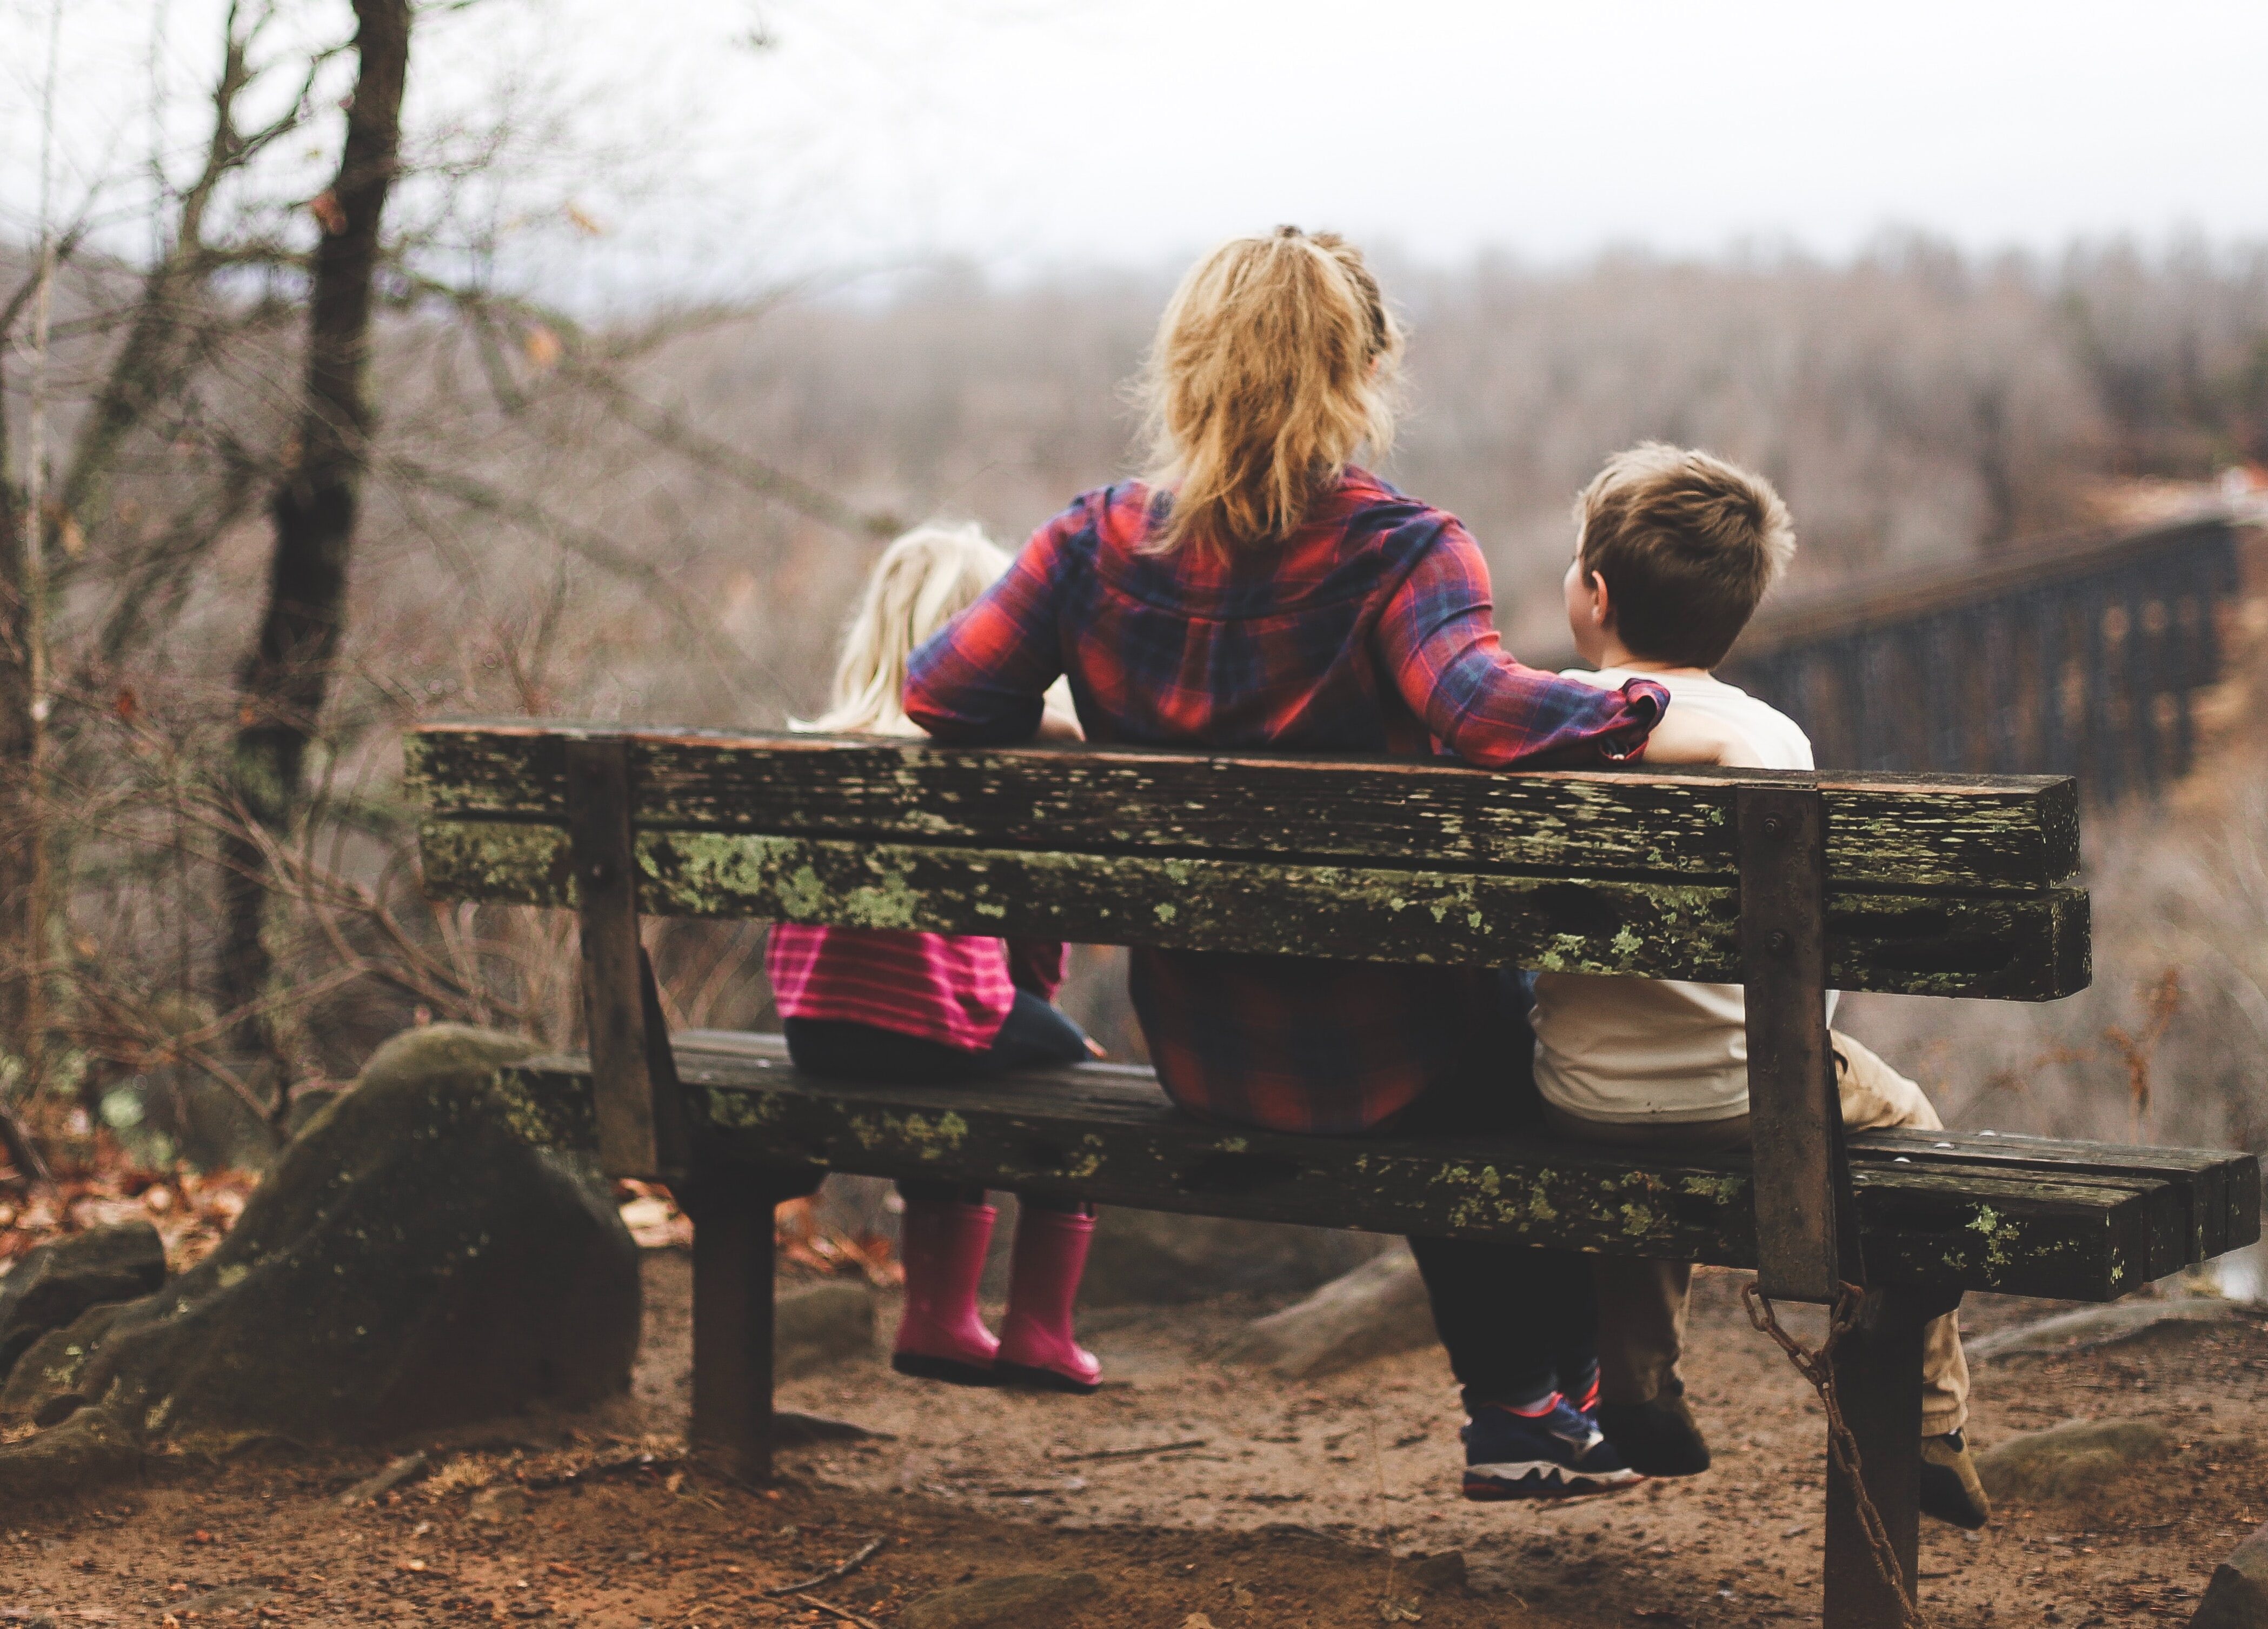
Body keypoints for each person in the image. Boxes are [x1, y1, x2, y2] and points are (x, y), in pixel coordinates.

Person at [904, 227, 1736, 1499]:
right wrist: (1639, 710)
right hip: (1397, 1057)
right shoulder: (1401, 550)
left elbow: (940, 695)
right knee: (1520, 1036)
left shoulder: (1089, 545)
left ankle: (1536, 1403)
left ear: (1182, 368)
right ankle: (1537, 1401)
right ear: (1361, 373)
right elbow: (1483, 712)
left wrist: (1071, 721)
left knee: (1470, 1027)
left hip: (1204, 1049)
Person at [1530, 442, 1991, 1528]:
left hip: (1578, 1094)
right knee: (1910, 1126)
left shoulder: (1538, 721)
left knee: (1637, 1113)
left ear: (1593, 595)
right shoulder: (1769, 739)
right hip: (1754, 1095)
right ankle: (1930, 1419)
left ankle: (1636, 1381)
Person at [767, 522, 1106, 1394]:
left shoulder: (820, 749)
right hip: (932, 1023)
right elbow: (1032, 932)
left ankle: (940, 1317)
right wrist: (1041, 1009)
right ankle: (1037, 1330)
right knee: (1075, 1076)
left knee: (955, 1047)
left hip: (815, 1031)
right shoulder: (984, 760)